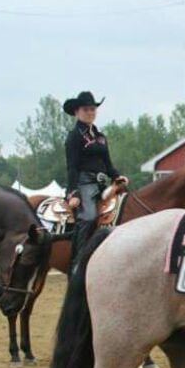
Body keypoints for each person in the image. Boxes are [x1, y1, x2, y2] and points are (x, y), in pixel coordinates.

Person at [63, 90, 126, 261]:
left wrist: (118, 177)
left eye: (92, 109)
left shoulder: (100, 137)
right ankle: (78, 262)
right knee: (89, 217)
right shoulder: (74, 137)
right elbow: (72, 167)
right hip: (83, 183)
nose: (90, 113)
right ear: (77, 112)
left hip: (102, 184)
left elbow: (108, 165)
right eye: (86, 110)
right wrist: (73, 193)